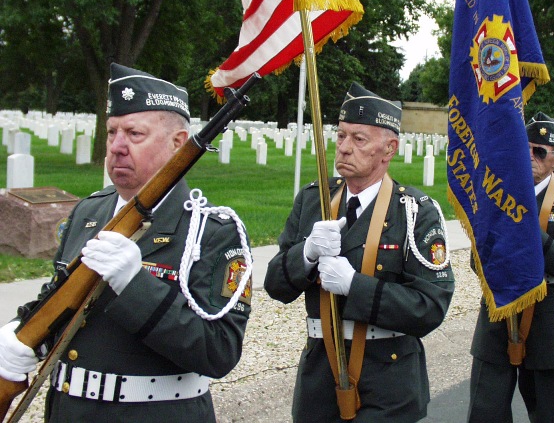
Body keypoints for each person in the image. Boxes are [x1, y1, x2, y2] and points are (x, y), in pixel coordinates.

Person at [0, 63, 252, 422]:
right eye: (112, 131)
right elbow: (61, 296)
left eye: (134, 133)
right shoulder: (90, 211)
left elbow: (220, 351)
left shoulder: (210, 230)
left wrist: (135, 286)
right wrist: (22, 332)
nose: (117, 147)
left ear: (178, 143)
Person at [264, 82, 454, 423]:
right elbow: (275, 286)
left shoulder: (413, 211)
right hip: (320, 377)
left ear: (389, 148)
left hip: (387, 379)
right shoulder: (314, 200)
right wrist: (305, 254)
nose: (344, 149)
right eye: (341, 136)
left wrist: (356, 285)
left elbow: (430, 307)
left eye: (359, 139)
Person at [467, 112, 554, 423]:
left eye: (539, 151)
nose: (528, 157)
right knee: (485, 413)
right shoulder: (495, 195)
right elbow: (476, 259)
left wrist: (528, 232)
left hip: (550, 317)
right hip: (498, 311)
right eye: (521, 148)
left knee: (549, 414)